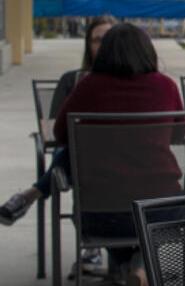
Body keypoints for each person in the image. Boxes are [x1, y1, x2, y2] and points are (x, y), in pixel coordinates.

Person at [53, 22, 183, 286]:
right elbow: (180, 133)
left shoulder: (88, 86)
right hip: (159, 209)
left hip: (99, 214)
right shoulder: (165, 86)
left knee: (124, 222)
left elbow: (61, 134)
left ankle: (134, 272)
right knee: (163, 216)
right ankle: (139, 269)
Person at [0, 15, 116, 226]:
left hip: (116, 155)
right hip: (76, 151)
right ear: (88, 45)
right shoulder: (72, 80)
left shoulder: (129, 83)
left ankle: (31, 194)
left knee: (85, 158)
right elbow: (55, 129)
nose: (103, 45)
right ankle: (92, 242)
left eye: (108, 39)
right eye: (97, 40)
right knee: (79, 154)